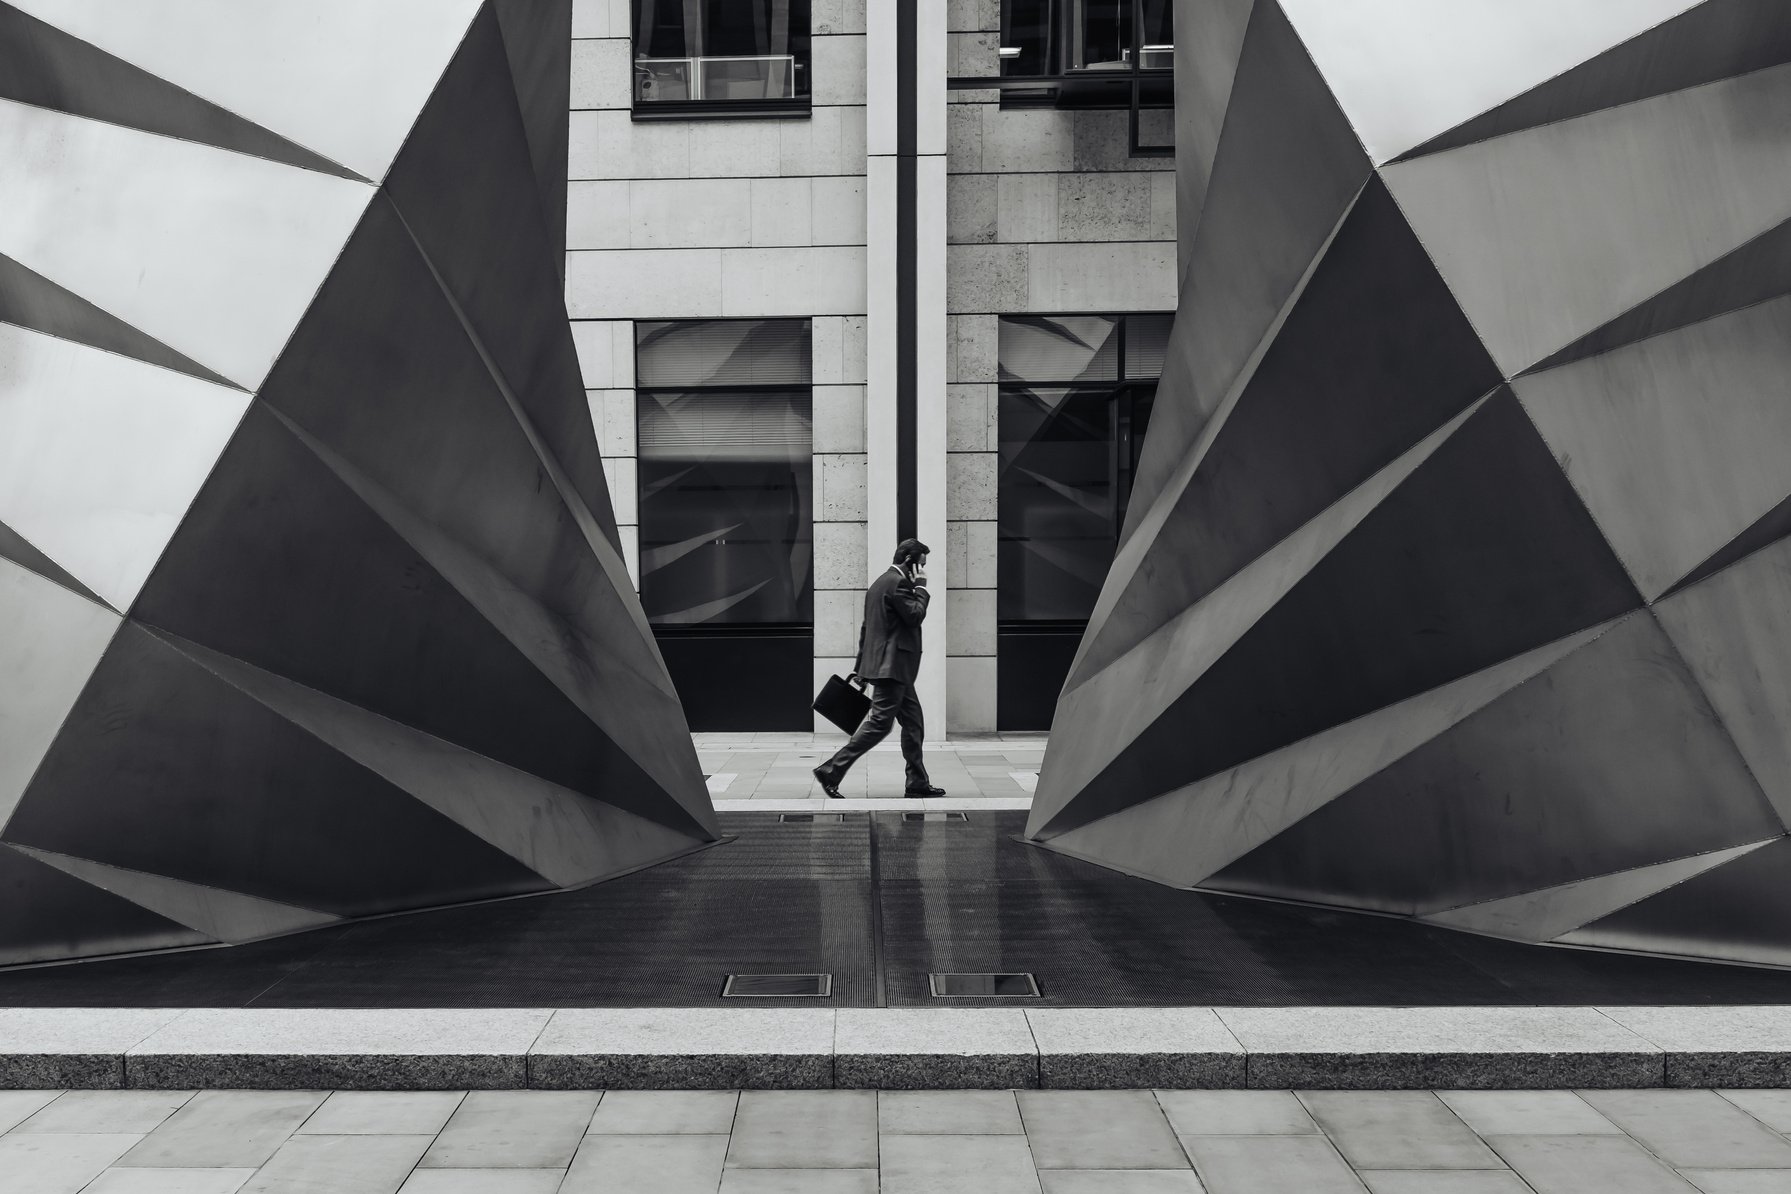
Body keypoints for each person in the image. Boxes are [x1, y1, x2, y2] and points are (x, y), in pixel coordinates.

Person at [812, 538, 946, 799]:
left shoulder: (879, 583)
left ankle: (917, 782)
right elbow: (915, 616)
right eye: (921, 566)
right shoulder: (898, 584)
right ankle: (831, 770)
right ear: (909, 562)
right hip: (892, 668)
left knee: (914, 724)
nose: (922, 571)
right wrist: (922, 588)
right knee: (879, 725)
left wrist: (861, 668)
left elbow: (868, 630)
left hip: (893, 669)